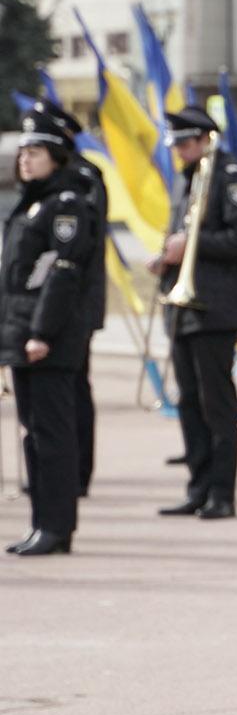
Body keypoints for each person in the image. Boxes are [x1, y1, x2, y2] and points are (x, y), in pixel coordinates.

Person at [150, 107, 237, 521]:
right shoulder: (187, 178)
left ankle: (222, 493)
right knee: (190, 402)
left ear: (204, 139)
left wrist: (193, 246)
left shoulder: (229, 177)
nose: (178, 150)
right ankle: (197, 487)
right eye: (175, 143)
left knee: (217, 405)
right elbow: (181, 236)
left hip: (214, 306)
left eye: (184, 142)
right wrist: (166, 259)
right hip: (183, 308)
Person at [2, 106, 98, 556]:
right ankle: (43, 522)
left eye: (35, 151)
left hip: (50, 340)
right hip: (24, 334)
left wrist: (40, 333)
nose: (25, 159)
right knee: (34, 434)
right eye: (23, 152)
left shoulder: (67, 204)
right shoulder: (33, 202)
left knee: (53, 436)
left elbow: (62, 276)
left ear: (57, 156)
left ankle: (57, 527)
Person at [32, 100, 106, 497]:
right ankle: (58, 471)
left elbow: (77, 251)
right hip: (54, 301)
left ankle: (76, 472)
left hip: (75, 301)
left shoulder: (81, 179)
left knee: (73, 389)